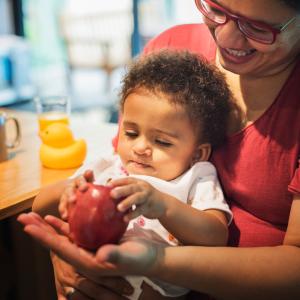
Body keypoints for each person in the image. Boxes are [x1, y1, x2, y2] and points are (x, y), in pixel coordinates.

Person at [18, 0, 300, 299]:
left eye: (257, 27)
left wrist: (155, 260)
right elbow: (54, 205)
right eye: (215, 8)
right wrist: (70, 252)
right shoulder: (169, 54)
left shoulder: (196, 178)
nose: (226, 38)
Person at [20, 50, 233, 300]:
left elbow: (216, 236)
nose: (140, 148)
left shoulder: (196, 176)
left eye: (162, 142)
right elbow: (39, 207)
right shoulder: (107, 166)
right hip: (89, 272)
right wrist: (67, 192)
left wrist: (162, 205)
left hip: (155, 288)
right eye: (131, 133)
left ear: (197, 154)